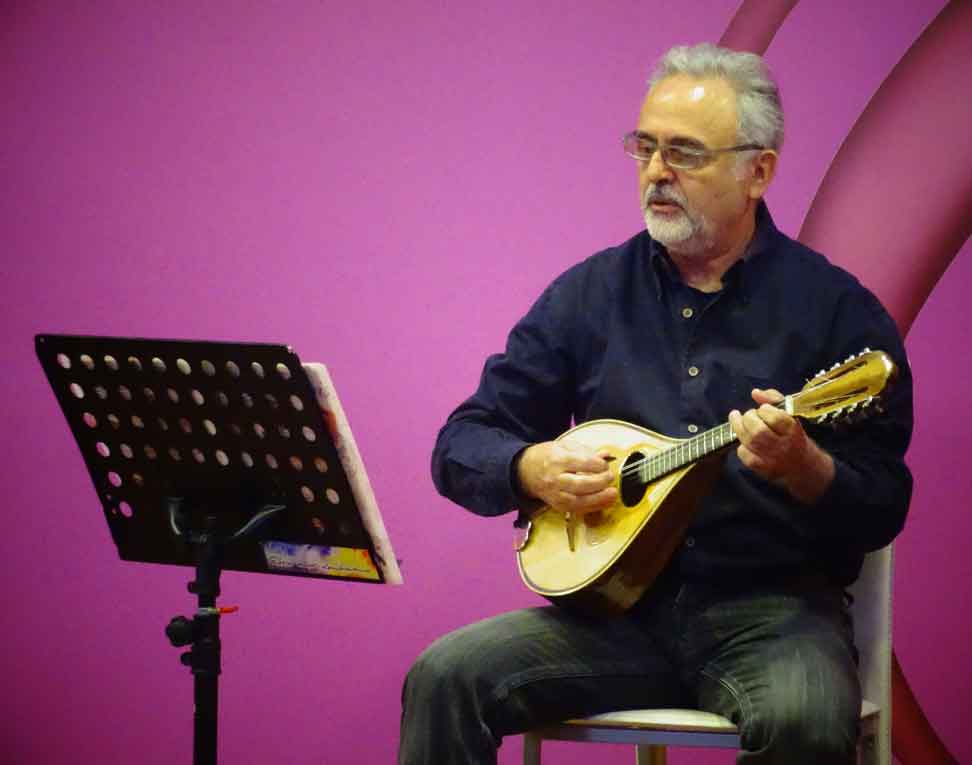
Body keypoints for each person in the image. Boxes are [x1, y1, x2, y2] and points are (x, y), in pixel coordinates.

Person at [399, 43, 913, 765]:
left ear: (758, 171)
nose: (656, 171)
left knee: (801, 719)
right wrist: (531, 468)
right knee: (445, 676)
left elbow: (883, 500)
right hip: (612, 614)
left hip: (772, 617)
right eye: (645, 147)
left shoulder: (835, 310)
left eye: (685, 153)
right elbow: (463, 441)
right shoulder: (589, 295)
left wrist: (804, 465)